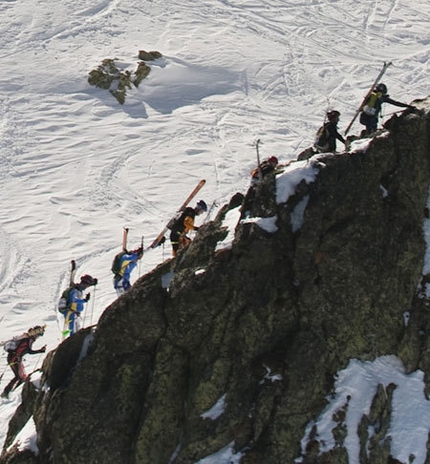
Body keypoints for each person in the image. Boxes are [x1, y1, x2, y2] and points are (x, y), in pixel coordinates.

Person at [1, 325, 46, 399]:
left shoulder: (27, 339)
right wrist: (40, 351)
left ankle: (10, 392)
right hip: (14, 358)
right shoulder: (27, 340)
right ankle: (8, 392)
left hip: (14, 358)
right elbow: (28, 350)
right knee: (19, 377)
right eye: (38, 335)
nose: (38, 337)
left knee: (21, 377)